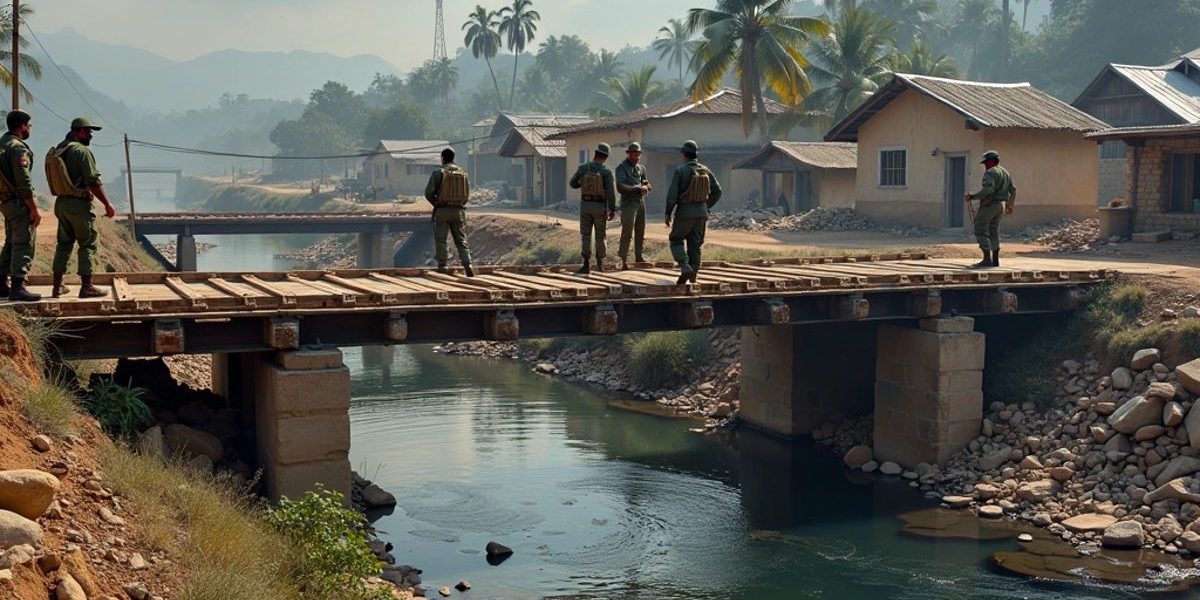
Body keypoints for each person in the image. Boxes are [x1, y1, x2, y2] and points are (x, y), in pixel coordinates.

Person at [46, 117, 115, 298]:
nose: (90, 136)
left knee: (63, 244)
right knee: (88, 244)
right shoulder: (81, 152)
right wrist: (107, 204)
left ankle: (58, 285)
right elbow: (93, 181)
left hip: (61, 203)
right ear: (78, 131)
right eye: (88, 132)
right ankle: (87, 287)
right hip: (79, 205)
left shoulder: (60, 149)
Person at [665, 140, 722, 285]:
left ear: (683, 154)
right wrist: (706, 206)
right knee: (695, 245)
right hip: (701, 214)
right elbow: (718, 191)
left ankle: (684, 266)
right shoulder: (705, 170)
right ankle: (693, 275)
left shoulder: (681, 171)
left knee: (676, 240)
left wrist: (668, 213)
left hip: (685, 212)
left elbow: (672, 195)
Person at [0, 109, 41, 302]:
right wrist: (33, 207)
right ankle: (18, 287)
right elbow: (23, 180)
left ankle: (1, 284)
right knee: (23, 243)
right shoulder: (17, 148)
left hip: (5, 202)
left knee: (10, 243)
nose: (29, 129)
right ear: (23, 125)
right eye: (29, 125)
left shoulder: (2, 145)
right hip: (18, 203)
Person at [424, 147, 474, 277]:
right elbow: (467, 194)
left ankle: (442, 265)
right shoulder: (463, 173)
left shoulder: (437, 173)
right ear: (453, 158)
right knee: (461, 239)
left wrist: (437, 203)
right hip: (458, 211)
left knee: (441, 239)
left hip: (442, 210)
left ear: (442, 158)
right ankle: (467, 263)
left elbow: (428, 193)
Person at [568, 142, 616, 274]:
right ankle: (600, 264)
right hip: (600, 206)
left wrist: (582, 184)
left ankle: (586, 264)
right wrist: (612, 209)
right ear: (605, 157)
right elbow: (611, 193)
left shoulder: (584, 168)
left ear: (595, 153)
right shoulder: (606, 171)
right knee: (601, 235)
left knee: (586, 235)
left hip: (585, 205)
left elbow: (572, 183)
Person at [964, 150, 1016, 268]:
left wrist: (973, 197)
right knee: (994, 231)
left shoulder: (991, 173)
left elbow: (988, 190)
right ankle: (995, 260)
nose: (985, 165)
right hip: (1000, 206)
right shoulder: (1005, 172)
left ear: (991, 161)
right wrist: (1010, 205)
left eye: (986, 162)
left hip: (990, 205)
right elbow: (1013, 189)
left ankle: (987, 259)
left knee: (980, 229)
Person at [614, 141, 650, 270]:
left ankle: (639, 256)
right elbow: (620, 186)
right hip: (628, 203)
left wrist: (646, 186)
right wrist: (637, 188)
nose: (635, 157)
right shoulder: (621, 168)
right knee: (627, 231)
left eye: (638, 154)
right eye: (633, 154)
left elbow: (646, 182)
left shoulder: (641, 168)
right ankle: (622, 259)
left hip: (640, 202)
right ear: (628, 154)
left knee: (640, 231)